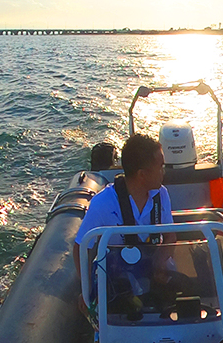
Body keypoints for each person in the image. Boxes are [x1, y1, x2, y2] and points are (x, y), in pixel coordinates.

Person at [73, 134, 176, 319]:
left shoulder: (162, 195)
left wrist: (160, 263)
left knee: (180, 289)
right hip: (117, 275)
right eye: (160, 167)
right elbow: (80, 246)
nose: (164, 171)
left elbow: (170, 237)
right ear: (142, 175)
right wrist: (86, 288)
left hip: (152, 267)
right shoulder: (103, 203)